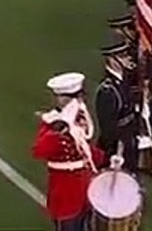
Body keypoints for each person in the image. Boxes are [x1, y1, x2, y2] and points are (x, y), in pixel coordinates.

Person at [32, 72, 106, 231]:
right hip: (64, 188)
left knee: (87, 224)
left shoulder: (80, 117)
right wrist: (58, 131)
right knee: (68, 225)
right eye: (73, 98)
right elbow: (39, 150)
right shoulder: (52, 122)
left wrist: (103, 160)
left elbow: (84, 146)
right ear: (61, 99)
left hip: (84, 183)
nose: (78, 102)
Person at [94, 42, 138, 172]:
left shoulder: (123, 78)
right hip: (116, 146)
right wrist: (113, 152)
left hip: (127, 137)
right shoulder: (108, 90)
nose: (128, 57)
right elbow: (107, 128)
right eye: (122, 55)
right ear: (111, 59)